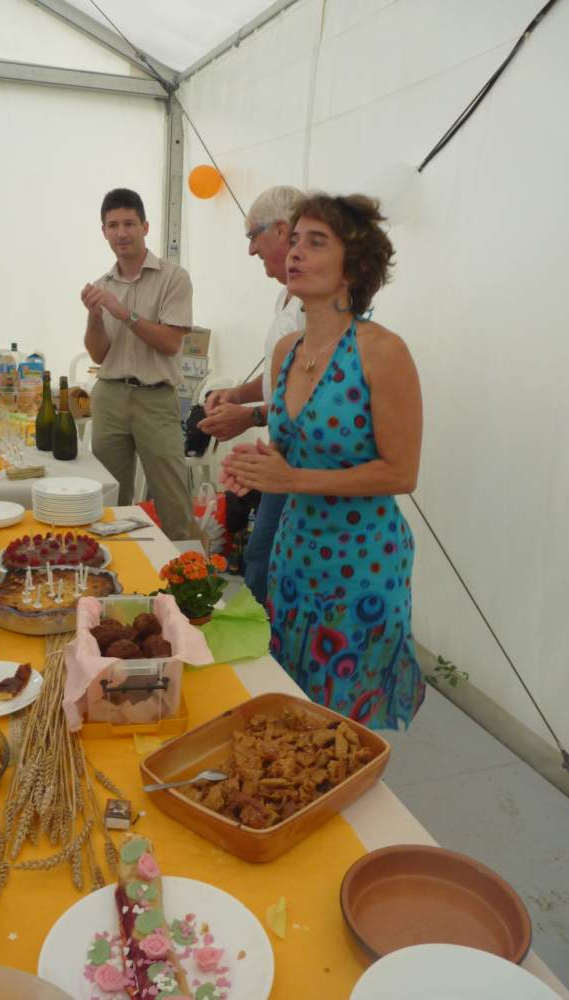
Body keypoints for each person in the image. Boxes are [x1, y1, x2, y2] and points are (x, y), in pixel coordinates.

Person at [223, 193, 426, 729]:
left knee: (342, 728)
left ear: (352, 267)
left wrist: (291, 478)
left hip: (361, 564)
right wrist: (255, 464)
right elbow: (293, 447)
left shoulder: (382, 351)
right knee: (293, 710)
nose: (295, 252)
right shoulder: (287, 350)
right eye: (294, 240)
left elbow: (401, 472)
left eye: (316, 242)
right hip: (295, 558)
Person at [198, 185, 305, 604]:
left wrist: (250, 417)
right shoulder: (286, 297)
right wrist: (236, 396)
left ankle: (272, 639)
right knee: (263, 559)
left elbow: (310, 393)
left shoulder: (316, 306)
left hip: (302, 457)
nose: (250, 250)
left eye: (252, 236)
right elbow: (279, 378)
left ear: (281, 230)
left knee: (266, 562)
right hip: (282, 450)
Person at [81, 188, 193, 540]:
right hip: (110, 395)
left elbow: (171, 343)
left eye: (129, 223)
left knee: (173, 500)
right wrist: (95, 319)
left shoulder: (174, 277)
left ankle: (189, 569)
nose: (121, 233)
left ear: (145, 227)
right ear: (103, 232)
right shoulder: (101, 285)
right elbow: (98, 355)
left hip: (155, 398)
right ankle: (116, 569)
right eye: (113, 225)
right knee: (109, 500)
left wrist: (124, 314)